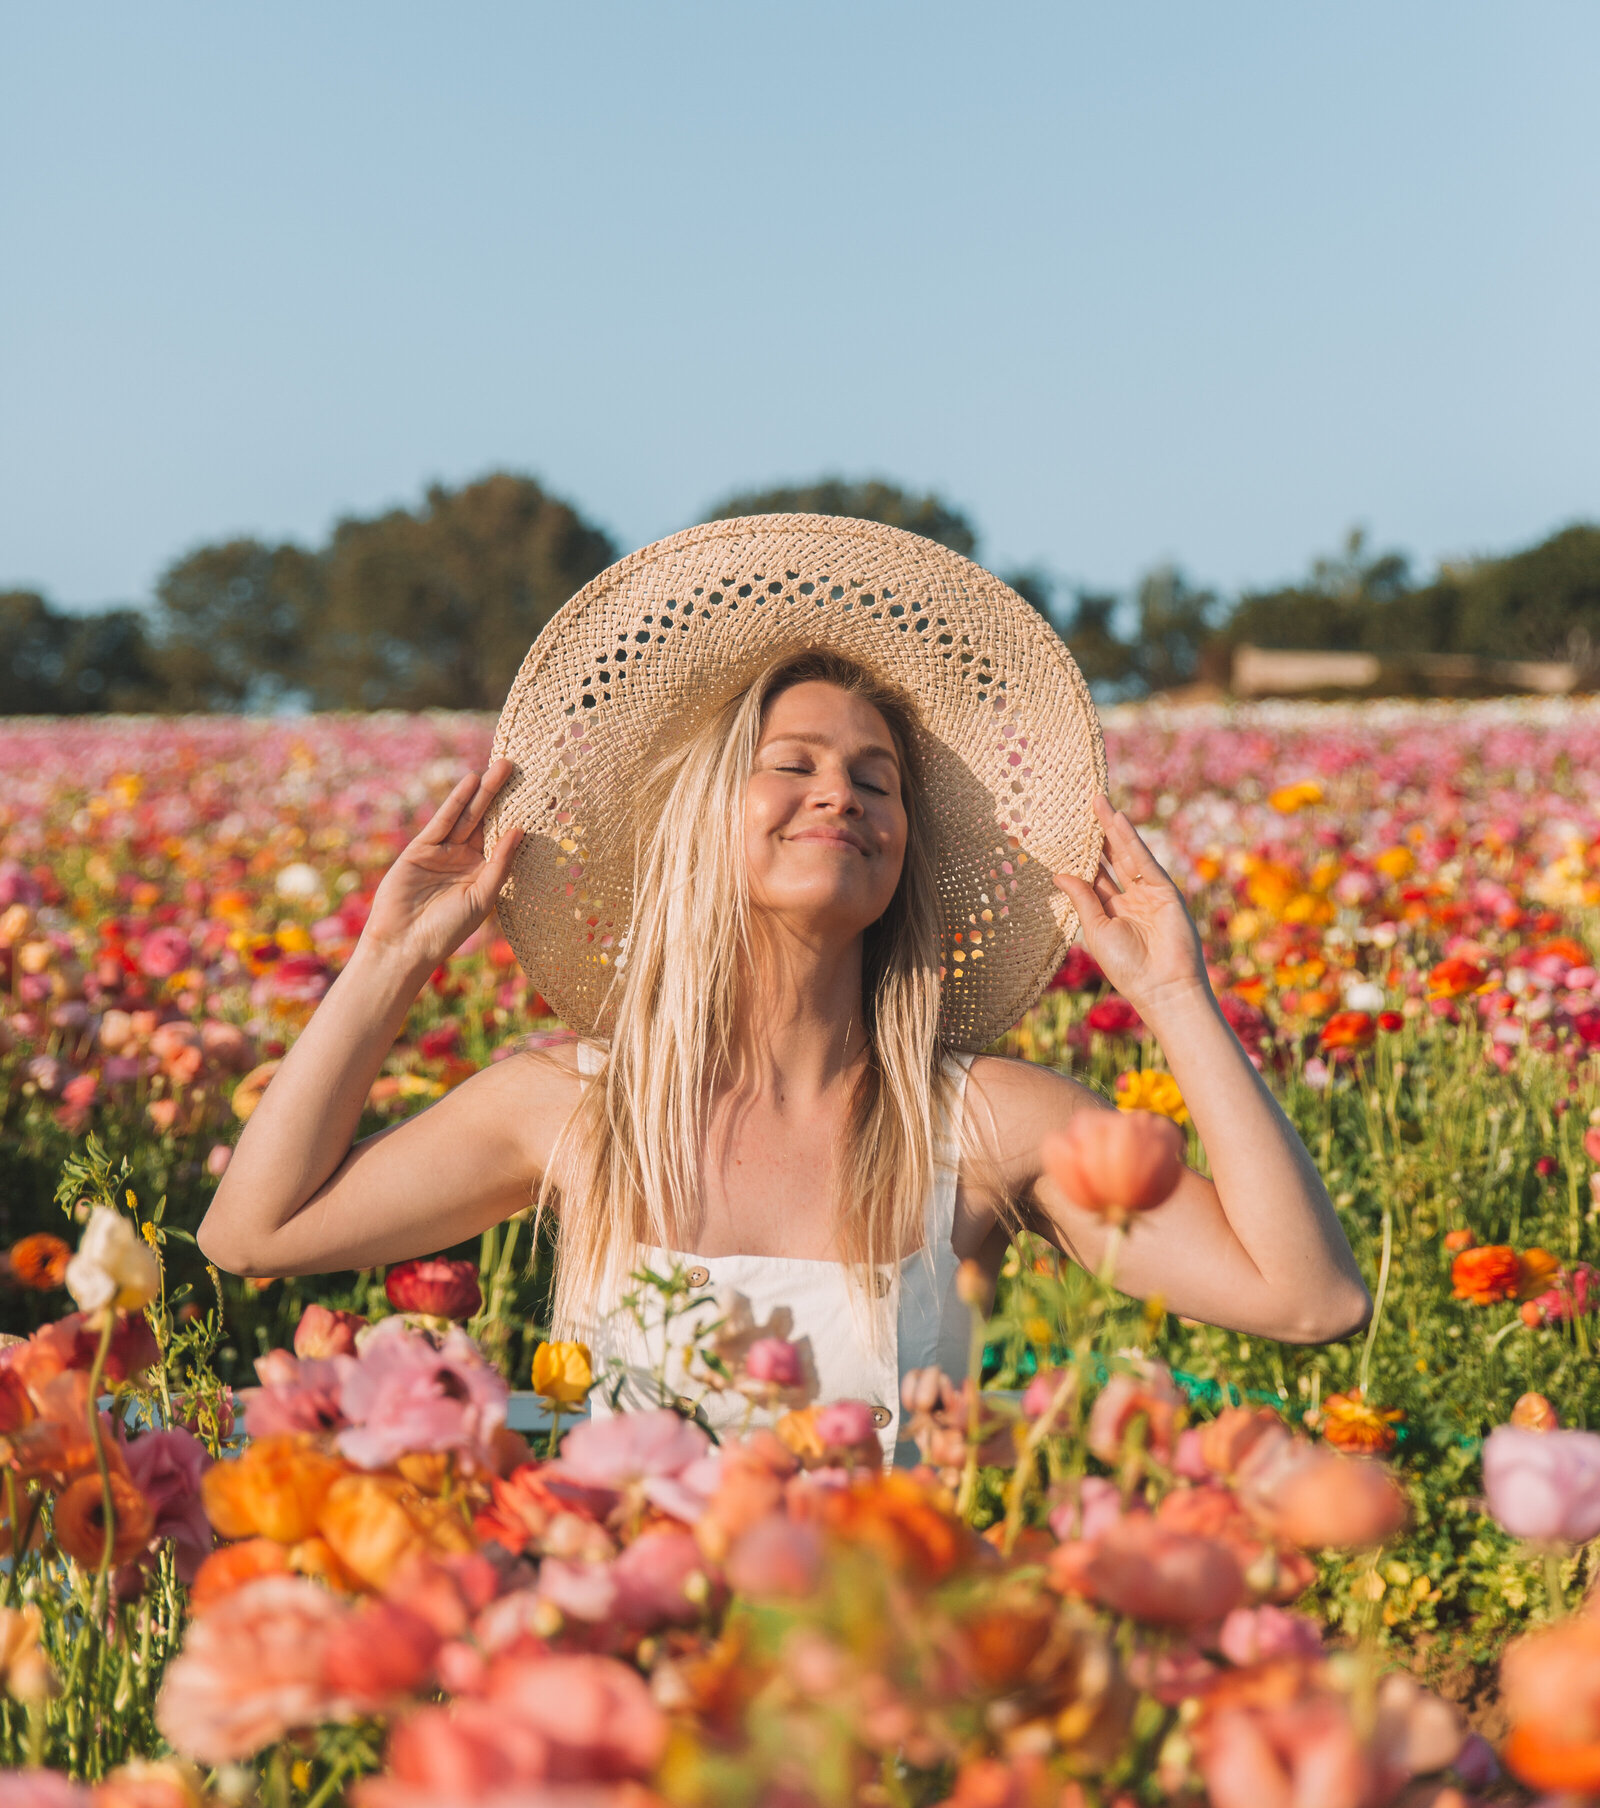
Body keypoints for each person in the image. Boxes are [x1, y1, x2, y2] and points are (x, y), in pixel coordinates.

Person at [198, 516, 1369, 1461]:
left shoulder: (982, 1121)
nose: (842, 795)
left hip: (876, 1693)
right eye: (793, 764)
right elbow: (253, 1232)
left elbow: (1310, 1298)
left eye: (877, 778)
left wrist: (1173, 991)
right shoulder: (573, 1107)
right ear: (713, 818)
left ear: (905, 844)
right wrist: (390, 958)